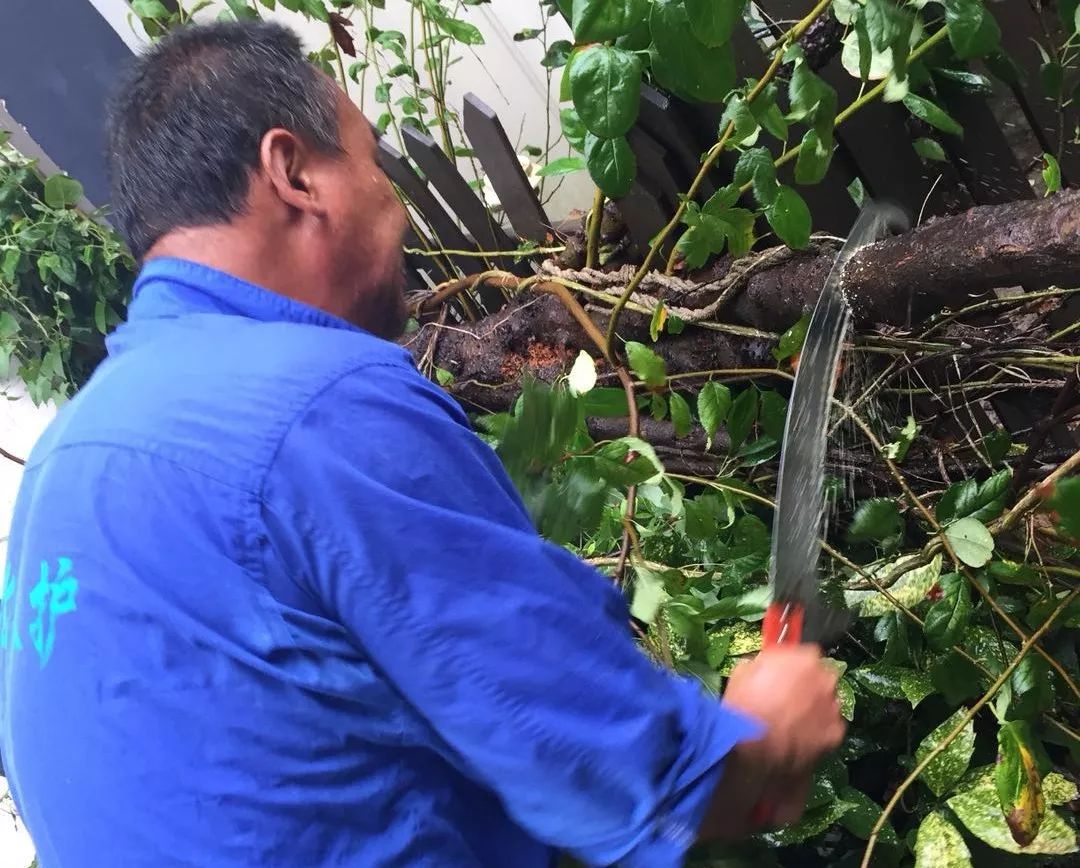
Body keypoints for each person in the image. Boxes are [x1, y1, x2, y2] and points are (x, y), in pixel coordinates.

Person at [0, 21, 845, 868]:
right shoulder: (318, 408)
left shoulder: (66, 460)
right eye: (375, 165)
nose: (395, 206)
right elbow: (617, 770)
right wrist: (764, 742)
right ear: (293, 174)